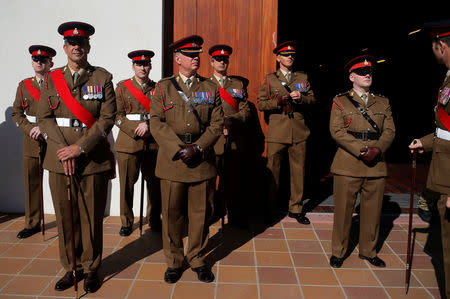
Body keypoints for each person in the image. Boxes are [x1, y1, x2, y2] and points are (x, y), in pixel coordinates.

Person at [37, 21, 116, 293]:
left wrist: (79, 148)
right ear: (64, 48)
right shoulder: (51, 79)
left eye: (81, 43)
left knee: (91, 215)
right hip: (59, 160)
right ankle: (72, 267)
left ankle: (92, 267)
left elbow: (106, 119)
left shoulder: (102, 77)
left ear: (88, 46)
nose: (77, 47)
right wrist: (63, 150)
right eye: (72, 43)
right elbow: (44, 117)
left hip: (92, 158)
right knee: (65, 216)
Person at [150, 35, 223, 284]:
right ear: (177, 58)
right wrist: (177, 147)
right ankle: (174, 261)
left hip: (201, 159)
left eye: (197, 54)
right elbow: (156, 122)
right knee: (171, 214)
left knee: (201, 213)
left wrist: (199, 148)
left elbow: (216, 124)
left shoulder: (210, 87)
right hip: (173, 160)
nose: (195, 58)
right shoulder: (163, 87)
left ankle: (198, 258)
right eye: (190, 55)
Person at [329, 53, 395, 268]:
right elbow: (337, 131)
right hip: (348, 164)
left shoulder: (383, 102)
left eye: (369, 72)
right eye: (361, 72)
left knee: (373, 212)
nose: (367, 74)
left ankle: (368, 251)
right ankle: (338, 252)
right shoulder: (339, 101)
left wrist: (378, 149)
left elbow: (390, 131)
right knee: (343, 213)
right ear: (352, 77)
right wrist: (362, 149)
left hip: (376, 164)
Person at [409, 19, 450, 298]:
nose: (434, 52)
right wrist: (425, 142)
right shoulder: (448, 76)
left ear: (442, 45)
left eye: (434, 47)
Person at [257, 41, 316, 225]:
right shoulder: (270, 79)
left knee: (298, 172)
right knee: (272, 172)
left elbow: (313, 100)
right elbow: (261, 103)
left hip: (298, 131)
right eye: (285, 54)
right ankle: (269, 210)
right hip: (277, 131)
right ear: (278, 58)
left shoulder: (302, 77)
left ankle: (295, 208)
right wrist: (277, 101)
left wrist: (302, 98)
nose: (290, 57)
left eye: (292, 54)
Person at [114, 50, 161, 236]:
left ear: (150, 66)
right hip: (128, 143)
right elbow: (115, 115)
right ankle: (126, 221)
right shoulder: (122, 87)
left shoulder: (158, 88)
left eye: (146, 64)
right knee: (126, 185)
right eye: (139, 64)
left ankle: (154, 219)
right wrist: (136, 129)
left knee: (154, 184)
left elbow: (162, 115)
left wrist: (148, 125)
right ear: (133, 66)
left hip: (153, 143)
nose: (143, 67)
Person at [12, 45, 55, 239]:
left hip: (54, 139)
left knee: (60, 182)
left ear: (50, 63)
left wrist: (44, 129)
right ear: (32, 63)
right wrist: (30, 130)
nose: (39, 63)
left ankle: (65, 220)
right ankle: (32, 222)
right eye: (36, 60)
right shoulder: (24, 86)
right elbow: (17, 113)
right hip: (32, 140)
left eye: (43, 60)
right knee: (32, 183)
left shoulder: (57, 84)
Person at [208, 44, 250, 227]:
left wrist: (232, 120)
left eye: (225, 59)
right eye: (218, 59)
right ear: (211, 62)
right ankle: (210, 214)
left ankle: (234, 216)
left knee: (233, 179)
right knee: (209, 179)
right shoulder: (204, 84)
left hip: (233, 139)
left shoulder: (237, 85)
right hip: (212, 140)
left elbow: (245, 110)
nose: (222, 62)